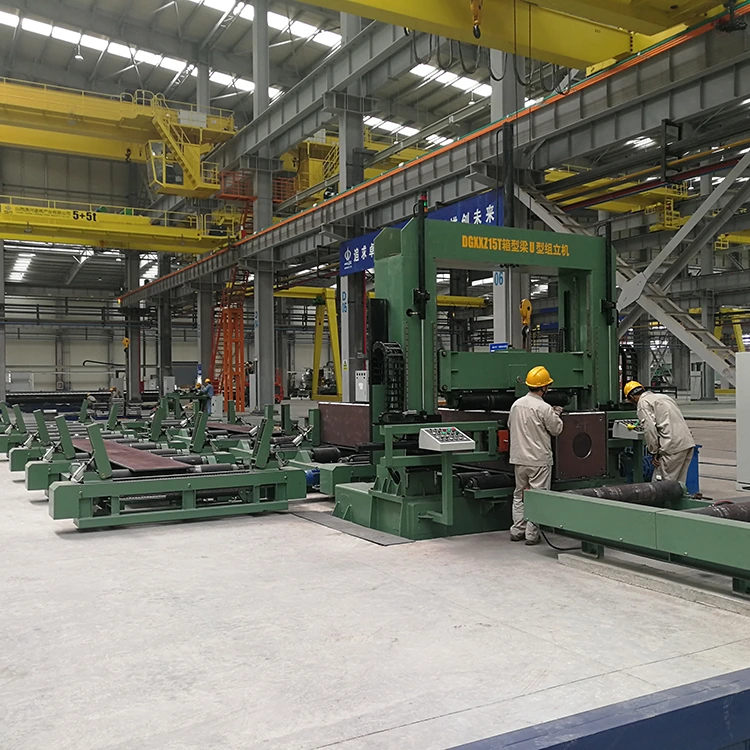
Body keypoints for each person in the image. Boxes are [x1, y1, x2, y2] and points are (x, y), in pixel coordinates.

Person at [508, 366, 564, 545]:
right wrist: (556, 414)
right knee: (538, 497)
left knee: (519, 495)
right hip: (538, 460)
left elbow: (510, 425)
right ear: (544, 387)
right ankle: (532, 535)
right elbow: (556, 429)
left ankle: (518, 530)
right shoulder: (544, 408)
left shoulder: (516, 405)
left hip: (519, 458)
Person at [624, 381, 695, 484]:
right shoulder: (663, 397)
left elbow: (649, 430)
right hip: (687, 443)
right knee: (679, 485)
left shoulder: (643, 403)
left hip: (672, 447)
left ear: (632, 397)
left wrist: (654, 452)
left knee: (660, 485)